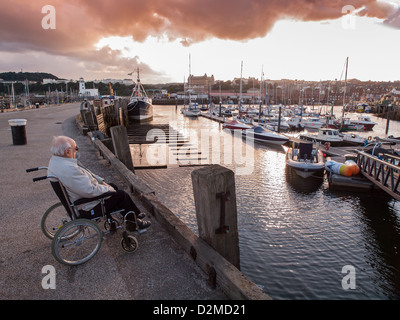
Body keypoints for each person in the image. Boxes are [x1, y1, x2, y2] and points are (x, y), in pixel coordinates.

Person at [47, 135, 151, 231]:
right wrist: (108, 189)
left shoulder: (57, 162)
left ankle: (134, 215)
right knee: (121, 195)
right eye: (76, 148)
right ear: (67, 152)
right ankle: (134, 223)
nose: (77, 151)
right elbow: (89, 190)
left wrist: (102, 182)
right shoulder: (69, 169)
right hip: (87, 207)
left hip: (80, 198)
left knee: (114, 187)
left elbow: (86, 178)